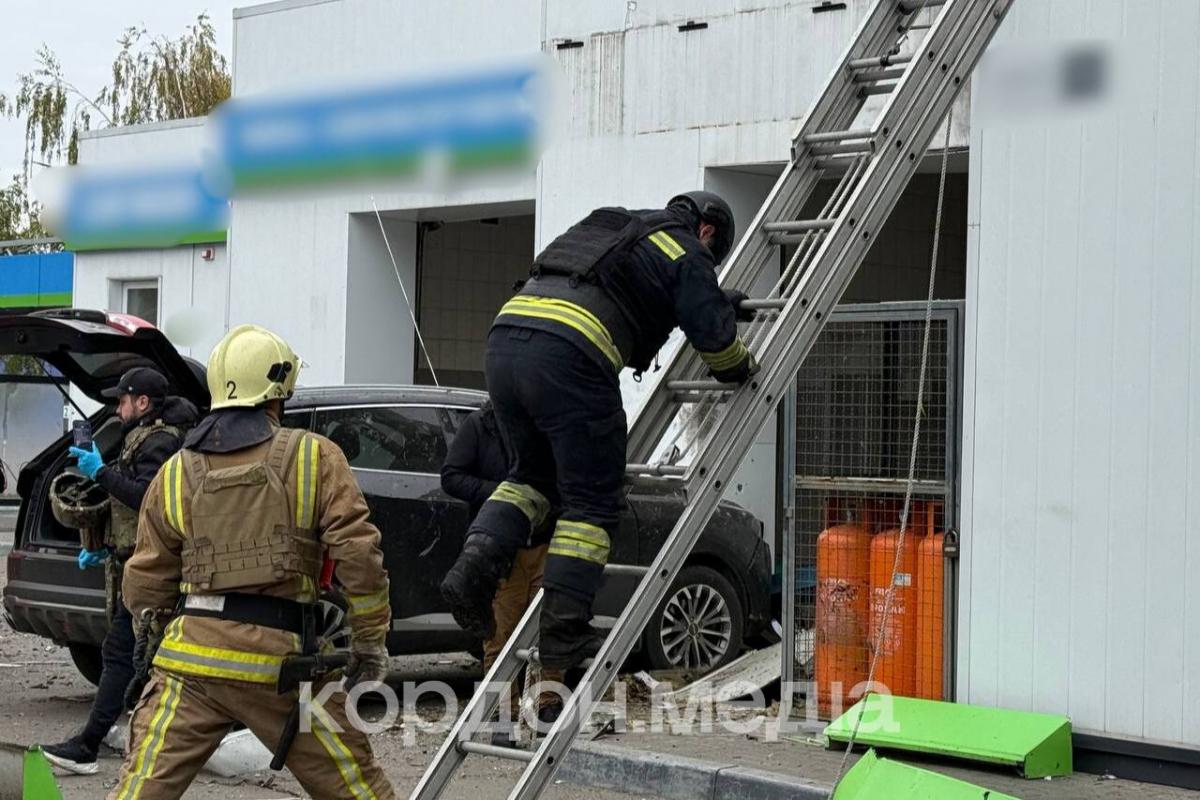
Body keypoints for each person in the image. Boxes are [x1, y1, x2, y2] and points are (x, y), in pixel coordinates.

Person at [440, 191, 758, 672]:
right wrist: (741, 365)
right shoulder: (688, 248)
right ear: (707, 231)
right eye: (711, 255)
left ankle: (471, 572)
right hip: (572, 357)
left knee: (530, 479)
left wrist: (715, 300)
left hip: (506, 344)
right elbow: (717, 346)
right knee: (591, 502)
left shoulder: (617, 225)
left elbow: (627, 287)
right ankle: (565, 632)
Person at [108, 325, 396, 800]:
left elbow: (145, 582)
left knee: (138, 792)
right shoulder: (313, 457)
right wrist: (369, 640)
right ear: (279, 391)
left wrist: (152, 633)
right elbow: (359, 555)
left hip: (189, 665)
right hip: (284, 669)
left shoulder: (175, 471)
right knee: (359, 791)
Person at [43, 367, 198, 775]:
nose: (118, 408)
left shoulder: (161, 441)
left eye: (123, 400)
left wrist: (99, 471)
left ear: (142, 402)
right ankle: (118, 743)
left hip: (155, 569)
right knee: (135, 657)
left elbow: (146, 497)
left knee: (127, 655)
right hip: (138, 562)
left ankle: (90, 746)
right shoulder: (145, 436)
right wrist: (103, 545)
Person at [440, 401, 564, 722]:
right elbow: (451, 476)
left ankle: (548, 710)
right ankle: (504, 716)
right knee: (500, 636)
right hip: (501, 552)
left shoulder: (547, 421)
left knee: (551, 630)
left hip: (545, 542)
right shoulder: (480, 425)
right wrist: (500, 496)